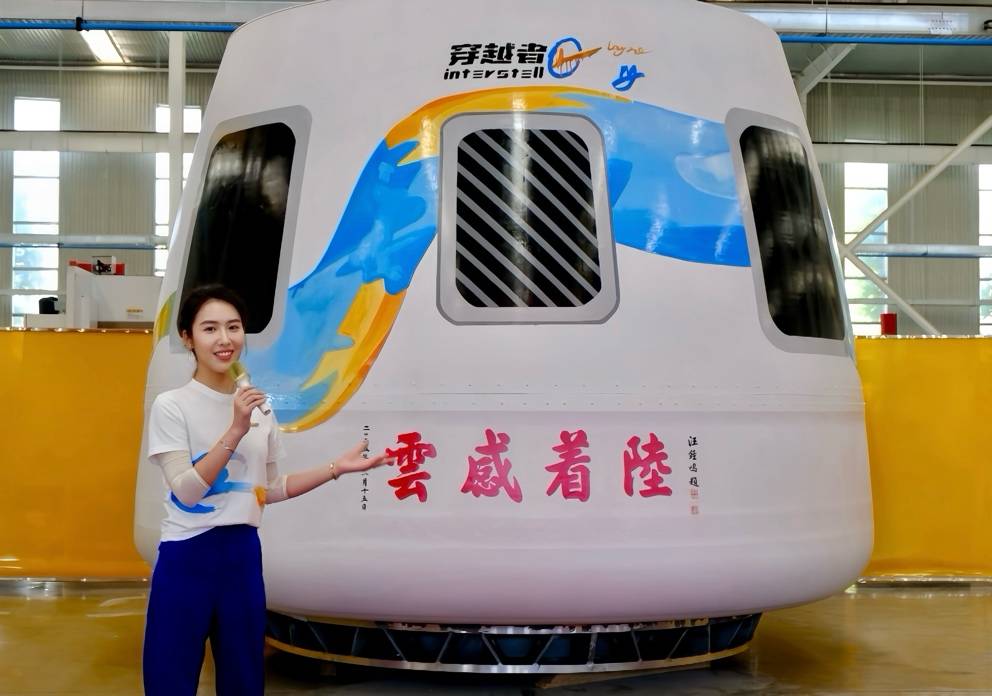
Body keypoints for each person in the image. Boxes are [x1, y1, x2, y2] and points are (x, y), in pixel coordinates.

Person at [142, 284, 392, 695]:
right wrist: (235, 429)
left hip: (242, 557)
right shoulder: (173, 405)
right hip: (187, 557)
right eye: (209, 328)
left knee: (244, 679)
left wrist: (335, 468)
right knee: (170, 678)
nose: (224, 339)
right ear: (188, 338)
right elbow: (186, 491)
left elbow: (268, 489)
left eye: (233, 327)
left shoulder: (260, 407)